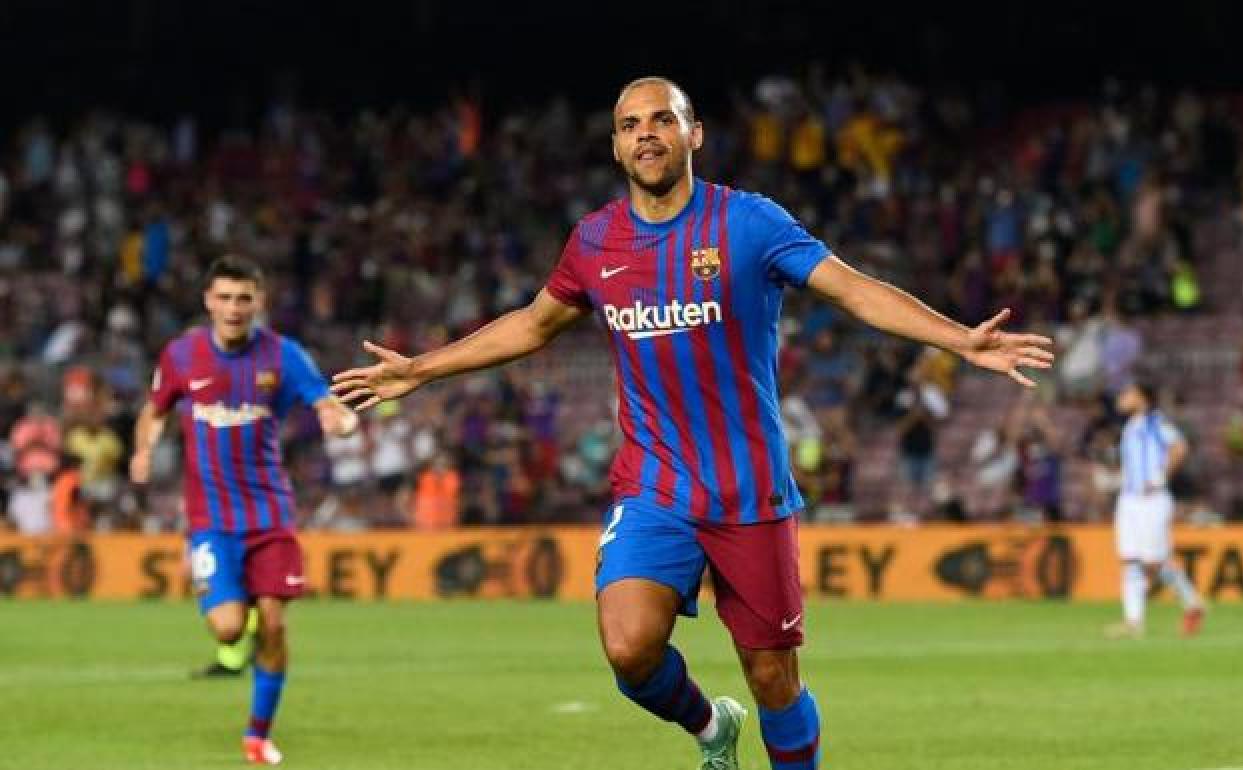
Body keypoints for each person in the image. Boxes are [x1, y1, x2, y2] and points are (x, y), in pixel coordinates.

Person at [331, 77, 1054, 770]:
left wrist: (959, 338)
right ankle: (713, 727)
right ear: (615, 148)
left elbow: (853, 290)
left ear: (693, 134)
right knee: (627, 648)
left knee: (774, 677)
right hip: (655, 486)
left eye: (662, 119)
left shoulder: (748, 222)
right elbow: (533, 323)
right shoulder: (594, 242)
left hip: (749, 490)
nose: (646, 134)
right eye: (630, 125)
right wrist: (420, 369)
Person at [129, 255, 359, 765]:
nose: (234, 308)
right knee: (230, 629)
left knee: (273, 624)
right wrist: (144, 448)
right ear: (209, 301)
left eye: (244, 298)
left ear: (259, 302)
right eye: (225, 298)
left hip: (270, 515)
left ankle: (257, 735)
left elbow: (322, 400)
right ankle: (238, 602)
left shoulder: (283, 356)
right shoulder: (182, 355)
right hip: (210, 521)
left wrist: (336, 417)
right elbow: (154, 409)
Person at [1105, 381, 1205, 639]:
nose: (1122, 396)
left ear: (1142, 397)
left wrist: (1161, 476)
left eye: (1127, 392)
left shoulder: (1154, 422)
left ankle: (1192, 602)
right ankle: (1133, 621)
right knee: (1130, 559)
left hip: (1152, 500)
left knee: (1154, 561)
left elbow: (1179, 447)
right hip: (1129, 500)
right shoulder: (1129, 426)